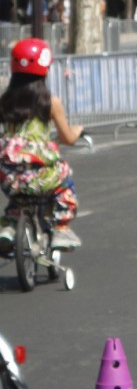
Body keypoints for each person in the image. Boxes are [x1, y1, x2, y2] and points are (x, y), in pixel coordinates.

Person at [0, 39, 84, 250]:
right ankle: (61, 228)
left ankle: (10, 226)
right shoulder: (49, 101)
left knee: (20, 196)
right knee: (63, 177)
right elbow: (68, 138)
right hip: (40, 176)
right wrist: (79, 130)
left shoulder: (5, 100)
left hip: (9, 175)